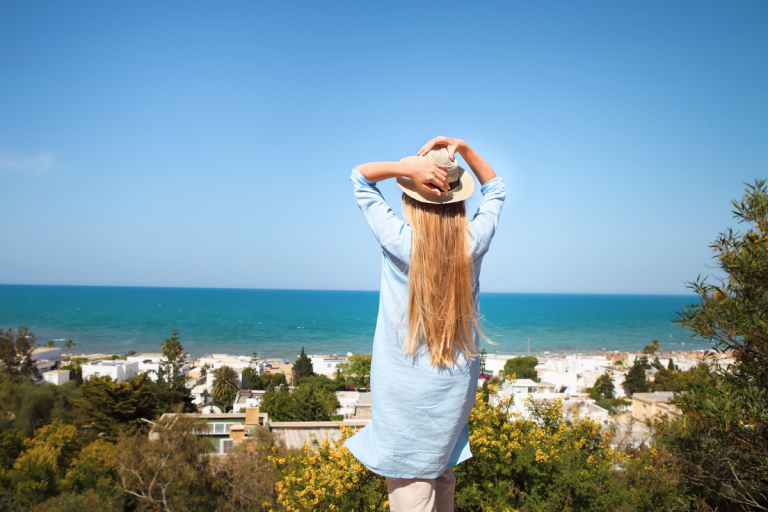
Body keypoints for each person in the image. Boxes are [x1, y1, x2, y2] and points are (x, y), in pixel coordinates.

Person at [345, 136, 506, 511]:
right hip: (453, 393)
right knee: (439, 473)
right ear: (459, 201)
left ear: (409, 201)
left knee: (411, 487)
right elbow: (496, 189)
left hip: (402, 396)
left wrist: (407, 168)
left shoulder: (400, 240)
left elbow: (359, 177)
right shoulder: (473, 242)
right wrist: (462, 148)